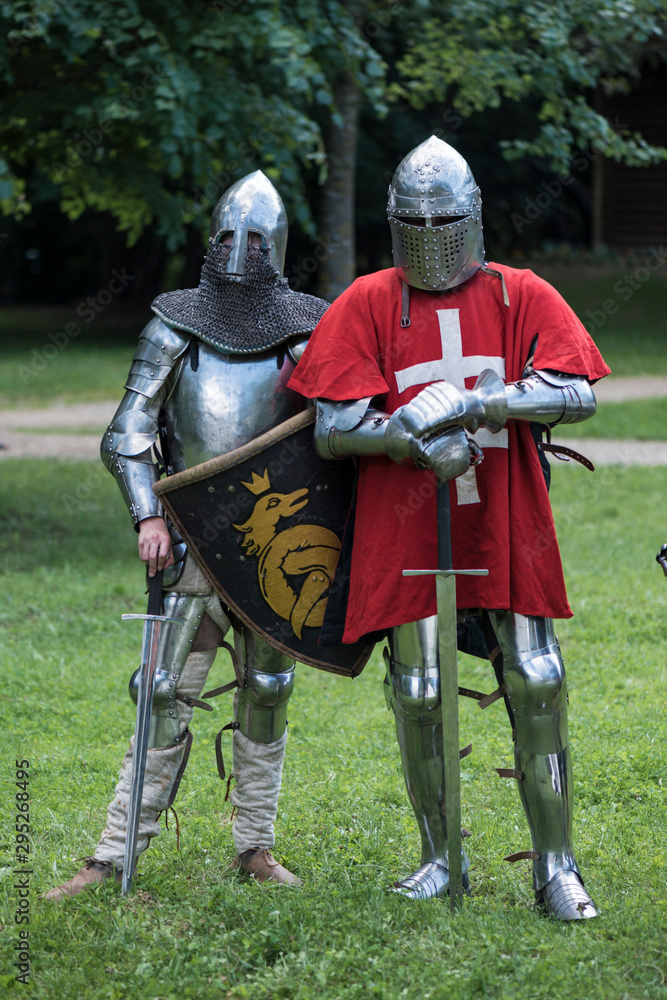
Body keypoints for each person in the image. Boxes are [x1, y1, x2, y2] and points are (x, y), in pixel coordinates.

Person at [288, 136, 609, 920]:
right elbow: (332, 428)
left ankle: (556, 866)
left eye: (444, 221)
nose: (431, 238)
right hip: (405, 521)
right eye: (415, 223)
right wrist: (402, 437)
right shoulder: (367, 300)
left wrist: (480, 401)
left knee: (536, 677)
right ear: (395, 222)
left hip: (503, 509)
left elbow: (576, 393)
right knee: (418, 690)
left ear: (472, 218)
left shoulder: (517, 292)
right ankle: (439, 858)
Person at [44, 171, 329, 900]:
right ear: (209, 239)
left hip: (274, 542)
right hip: (190, 540)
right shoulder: (173, 325)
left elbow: (333, 437)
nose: (239, 250)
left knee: (267, 688)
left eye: (255, 239)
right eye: (228, 236)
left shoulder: (308, 331)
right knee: (162, 689)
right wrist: (147, 514)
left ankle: (254, 847)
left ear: (277, 246)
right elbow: (127, 433)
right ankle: (112, 856)